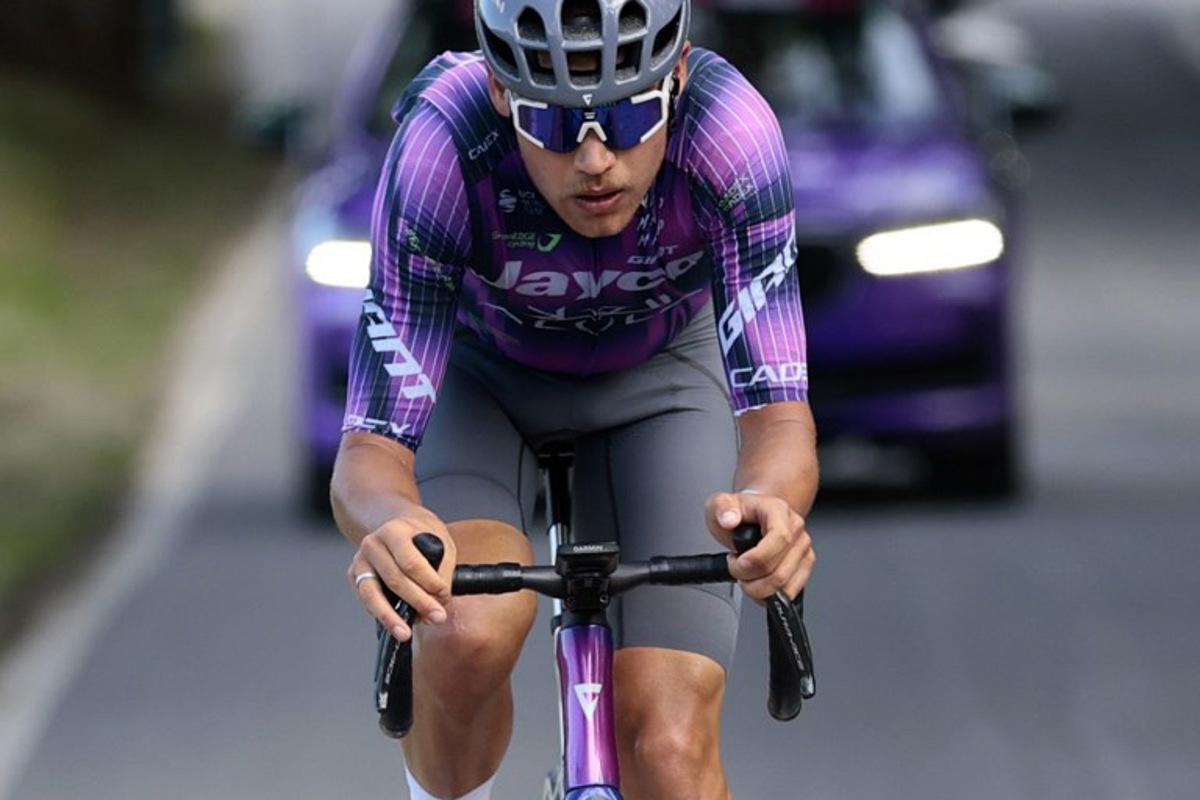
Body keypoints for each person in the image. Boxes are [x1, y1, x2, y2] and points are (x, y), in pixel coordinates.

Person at [332, 1, 817, 797]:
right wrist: (392, 524)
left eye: (629, 117)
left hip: (658, 384)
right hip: (484, 383)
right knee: (467, 635)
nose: (595, 160)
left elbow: (778, 416)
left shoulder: (730, 130)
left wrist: (769, 506)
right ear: (497, 92)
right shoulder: (443, 144)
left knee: (669, 747)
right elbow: (368, 451)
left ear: (680, 76)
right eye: (555, 126)